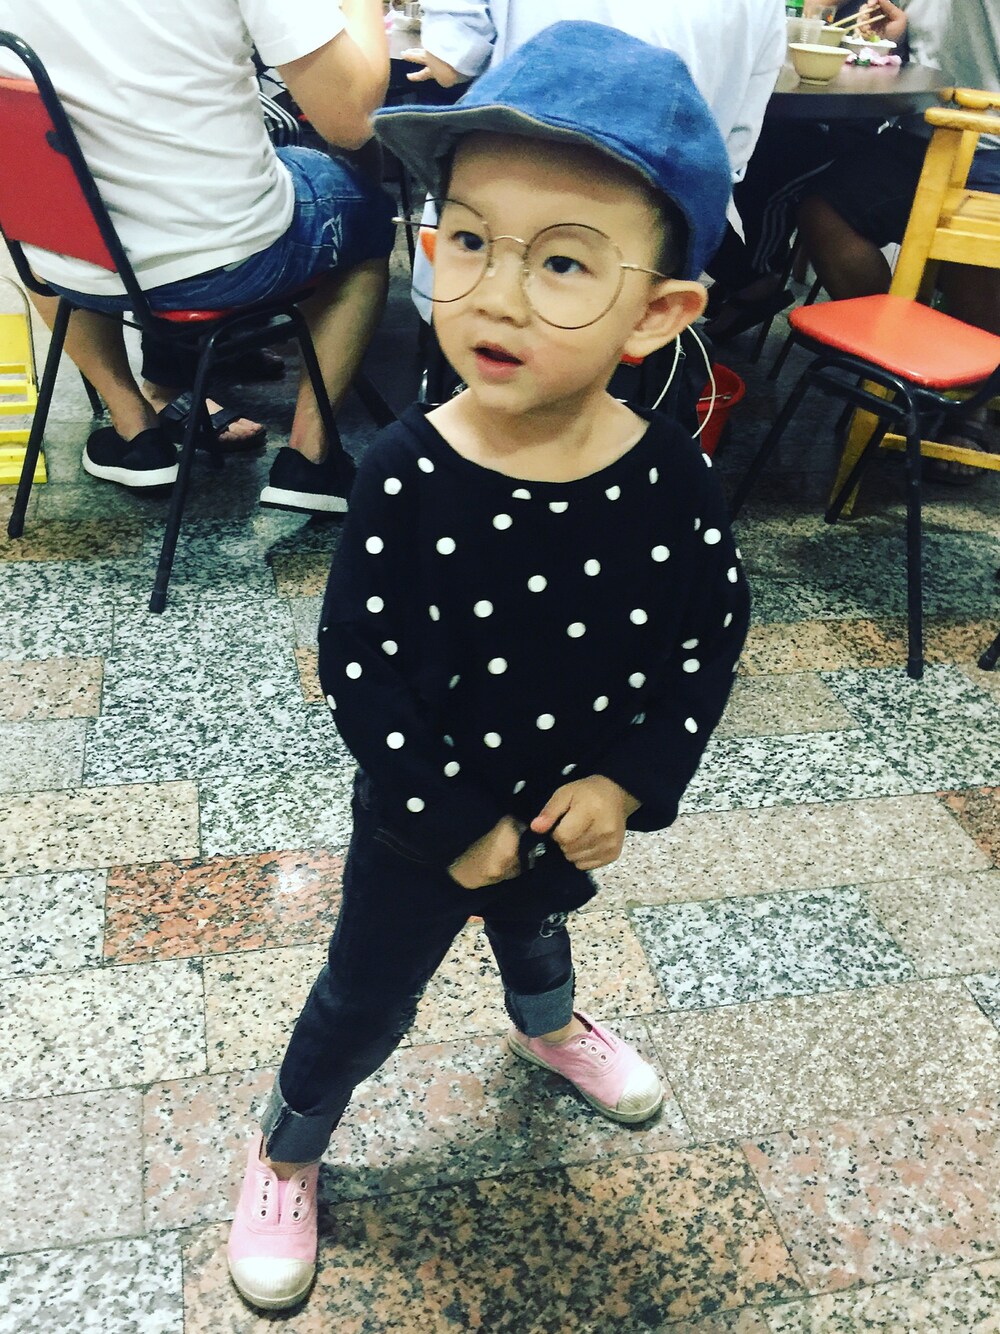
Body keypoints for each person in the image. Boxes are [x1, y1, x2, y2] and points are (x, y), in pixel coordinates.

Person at [224, 21, 751, 1312]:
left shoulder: (671, 480)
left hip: (569, 801)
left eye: (562, 260)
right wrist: (454, 819)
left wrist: (627, 779)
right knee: (363, 994)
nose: (498, 295)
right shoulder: (406, 471)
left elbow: (709, 632)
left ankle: (549, 1026)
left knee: (536, 922)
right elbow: (360, 663)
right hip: (423, 818)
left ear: (659, 311)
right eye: (467, 240)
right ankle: (286, 1149)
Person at [0, 0, 396, 513]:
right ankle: (311, 456)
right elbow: (353, 121)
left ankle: (135, 430)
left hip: (65, 261)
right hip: (226, 262)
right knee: (368, 212)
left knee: (41, 223)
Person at [797, 0, 1000, 476]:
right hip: (921, 132)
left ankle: (969, 408)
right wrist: (894, 39)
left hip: (993, 139)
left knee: (967, 257)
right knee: (823, 209)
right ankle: (893, 365)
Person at [403, 0, 787, 185]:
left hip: (513, 191)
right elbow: (734, 145)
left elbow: (452, 61)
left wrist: (447, 53)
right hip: (666, 221)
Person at [704, 0, 912, 341]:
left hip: (843, 125)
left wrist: (881, 37)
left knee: (765, 176)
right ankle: (743, 276)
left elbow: (886, 65)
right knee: (732, 158)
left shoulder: (872, 12)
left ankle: (758, 277)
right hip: (792, 117)